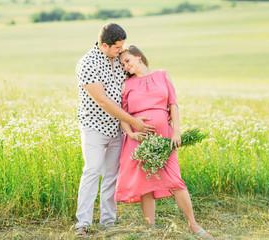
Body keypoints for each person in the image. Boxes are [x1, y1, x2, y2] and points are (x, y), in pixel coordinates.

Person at [115, 45, 213, 238]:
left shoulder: (162, 75)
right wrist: (132, 134)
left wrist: (176, 132)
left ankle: (194, 226)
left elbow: (173, 105)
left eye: (127, 61)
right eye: (122, 64)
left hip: (165, 139)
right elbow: (123, 116)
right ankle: (150, 230)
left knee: (177, 181)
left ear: (139, 57)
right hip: (139, 141)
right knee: (145, 185)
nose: (125, 66)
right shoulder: (127, 85)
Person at [75, 24, 155, 238]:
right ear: (104, 45)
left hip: (118, 128)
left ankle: (108, 222)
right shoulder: (87, 64)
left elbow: (134, 85)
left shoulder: (120, 61)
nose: (121, 50)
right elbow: (103, 100)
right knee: (92, 170)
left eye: (122, 46)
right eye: (117, 47)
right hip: (94, 125)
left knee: (112, 175)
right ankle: (82, 223)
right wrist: (134, 122)